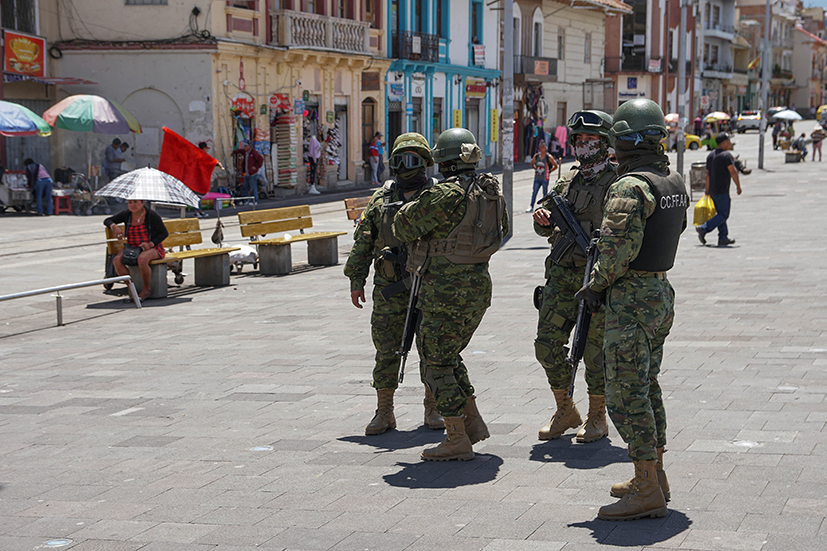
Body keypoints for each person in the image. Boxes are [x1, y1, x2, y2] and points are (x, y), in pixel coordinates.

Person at [574, 98, 687, 521]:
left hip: (631, 299)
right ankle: (654, 475)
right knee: (647, 384)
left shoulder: (629, 186)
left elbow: (618, 251)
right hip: (660, 293)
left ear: (625, 140)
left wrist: (593, 286)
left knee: (624, 392)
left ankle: (645, 488)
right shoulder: (672, 180)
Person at [393, 128, 508, 462]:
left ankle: (456, 437)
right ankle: (471, 422)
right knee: (449, 353)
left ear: (442, 160)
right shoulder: (487, 190)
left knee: (436, 359)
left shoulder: (445, 194)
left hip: (445, 288)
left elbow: (403, 226)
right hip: (476, 283)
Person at [344, 133, 443, 435]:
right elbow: (364, 240)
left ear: (426, 163)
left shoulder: (439, 196)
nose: (405, 167)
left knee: (433, 350)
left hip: (430, 287)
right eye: (400, 160)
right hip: (390, 288)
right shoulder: (382, 198)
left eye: (413, 160)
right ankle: (384, 411)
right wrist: (356, 279)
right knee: (386, 350)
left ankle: (434, 407)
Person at [531, 110, 616, 443]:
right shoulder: (567, 180)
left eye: (589, 140)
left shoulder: (617, 182)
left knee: (594, 353)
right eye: (578, 140)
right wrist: (543, 220)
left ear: (604, 143)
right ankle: (565, 409)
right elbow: (546, 222)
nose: (582, 146)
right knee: (546, 346)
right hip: (561, 276)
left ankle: (597, 416)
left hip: (595, 279)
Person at [104, 200, 169, 301]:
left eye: (136, 202)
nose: (133, 205)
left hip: (152, 247)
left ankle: (146, 289)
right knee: (117, 260)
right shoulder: (126, 214)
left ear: (143, 203)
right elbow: (107, 220)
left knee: (142, 259)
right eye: (130, 203)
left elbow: (164, 233)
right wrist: (115, 227)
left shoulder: (151, 215)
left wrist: (150, 244)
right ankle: (131, 287)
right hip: (132, 247)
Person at [696, 132, 741, 247]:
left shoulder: (710, 155)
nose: (730, 144)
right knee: (723, 214)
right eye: (729, 141)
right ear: (724, 143)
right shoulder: (726, 155)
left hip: (712, 190)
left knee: (720, 213)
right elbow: (733, 171)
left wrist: (707, 189)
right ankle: (704, 228)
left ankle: (723, 237)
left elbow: (707, 174)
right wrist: (738, 186)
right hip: (722, 189)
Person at [526, 141, 559, 212]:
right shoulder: (536, 156)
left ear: (546, 148)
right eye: (540, 147)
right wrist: (536, 169)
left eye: (543, 147)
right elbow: (531, 163)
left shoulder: (548, 157)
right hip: (537, 177)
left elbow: (556, 165)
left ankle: (545, 207)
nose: (541, 149)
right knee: (534, 192)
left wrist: (549, 171)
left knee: (545, 193)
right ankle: (531, 206)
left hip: (545, 178)